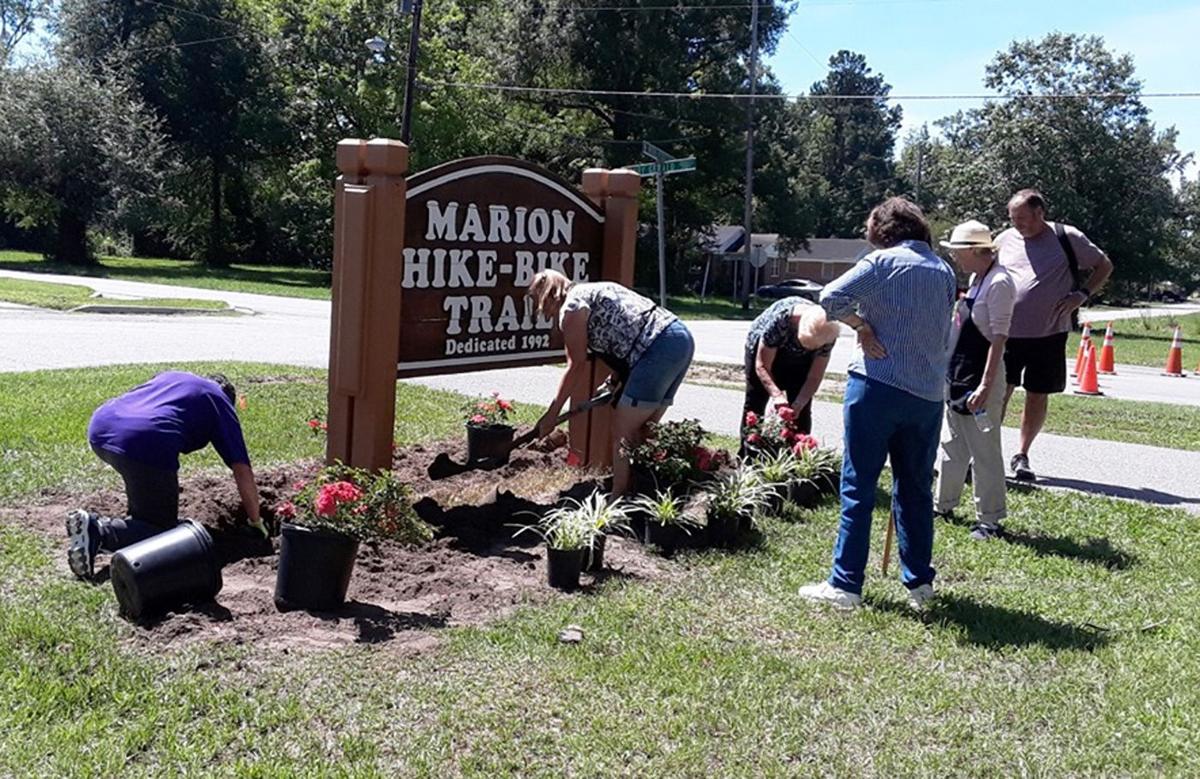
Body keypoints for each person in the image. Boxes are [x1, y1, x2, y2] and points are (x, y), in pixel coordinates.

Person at [798, 197, 956, 611]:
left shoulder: (882, 263)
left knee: (859, 486)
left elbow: (830, 298)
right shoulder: (943, 270)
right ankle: (920, 585)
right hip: (926, 395)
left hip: (877, 387)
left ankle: (845, 585)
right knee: (916, 490)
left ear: (883, 230)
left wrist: (862, 326)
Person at [66, 371, 265, 580]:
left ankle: (132, 524)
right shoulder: (220, 400)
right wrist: (255, 522)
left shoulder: (175, 377)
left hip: (102, 427)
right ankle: (100, 531)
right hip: (144, 439)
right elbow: (242, 469)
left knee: (145, 491)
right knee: (163, 530)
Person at [527, 270, 695, 496]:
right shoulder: (593, 290)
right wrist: (614, 380)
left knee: (623, 433)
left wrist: (552, 414)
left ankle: (618, 498)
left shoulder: (572, 308)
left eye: (536, 299)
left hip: (657, 347)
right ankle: (650, 490)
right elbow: (623, 332)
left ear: (547, 296)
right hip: (678, 337)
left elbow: (575, 365)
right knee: (644, 431)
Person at [998, 189, 1113, 482]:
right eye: (1013, 219)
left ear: (1040, 213)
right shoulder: (1005, 239)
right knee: (999, 392)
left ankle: (1022, 455)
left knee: (1037, 393)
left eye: (1022, 218)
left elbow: (1104, 265)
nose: (1017, 225)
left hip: (1048, 333)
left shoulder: (1067, 236)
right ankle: (983, 452)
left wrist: (1082, 294)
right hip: (1005, 333)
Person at [934, 221, 1016, 540]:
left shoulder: (999, 282)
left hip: (982, 378)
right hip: (958, 373)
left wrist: (985, 385)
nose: (955, 257)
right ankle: (944, 504)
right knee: (952, 444)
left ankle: (990, 520)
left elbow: (999, 338)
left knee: (984, 450)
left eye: (958, 252)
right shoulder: (975, 278)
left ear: (976, 251)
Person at [741, 297, 841, 446]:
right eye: (805, 345)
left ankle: (797, 457)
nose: (807, 350)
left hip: (799, 361)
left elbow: (814, 376)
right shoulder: (781, 321)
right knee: (756, 402)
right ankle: (747, 456)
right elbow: (762, 366)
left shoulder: (828, 331)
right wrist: (777, 395)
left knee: (801, 410)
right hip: (765, 351)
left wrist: (800, 403)